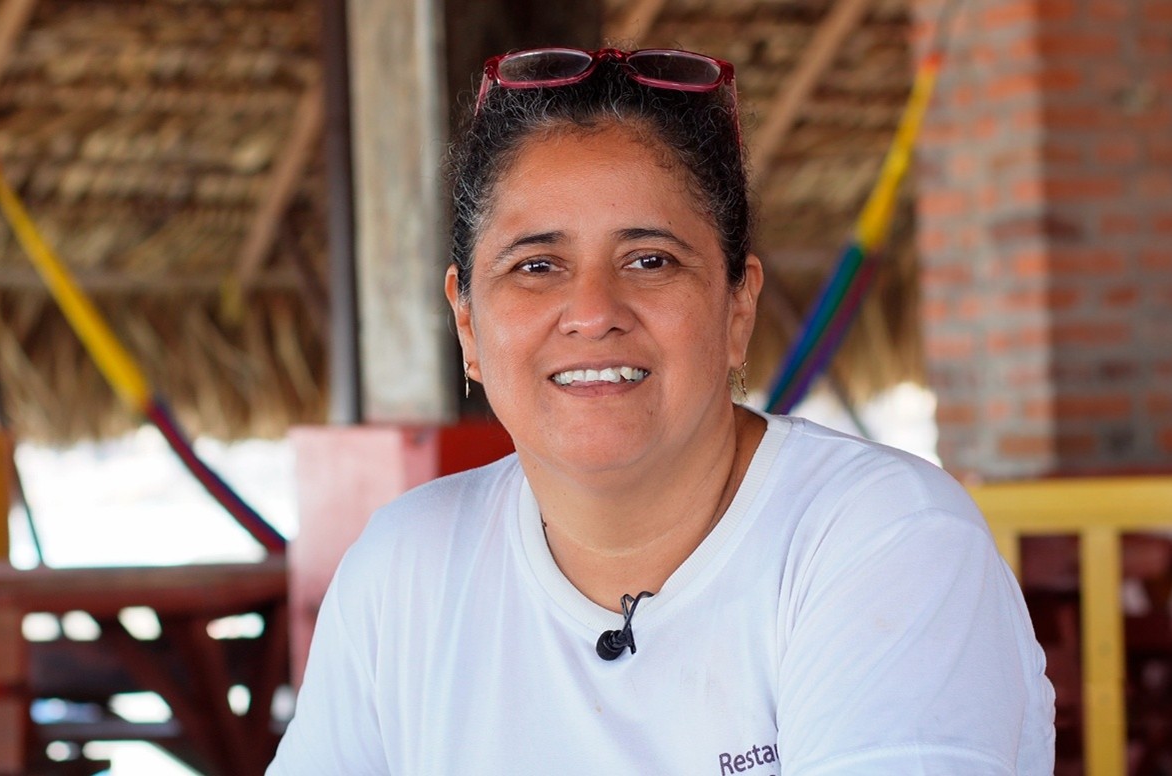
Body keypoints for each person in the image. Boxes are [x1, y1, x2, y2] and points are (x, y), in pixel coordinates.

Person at [268, 46, 1054, 774]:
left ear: (736, 308)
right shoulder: (406, 569)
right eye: (535, 265)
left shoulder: (879, 541)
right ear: (468, 325)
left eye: (650, 260)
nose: (592, 310)